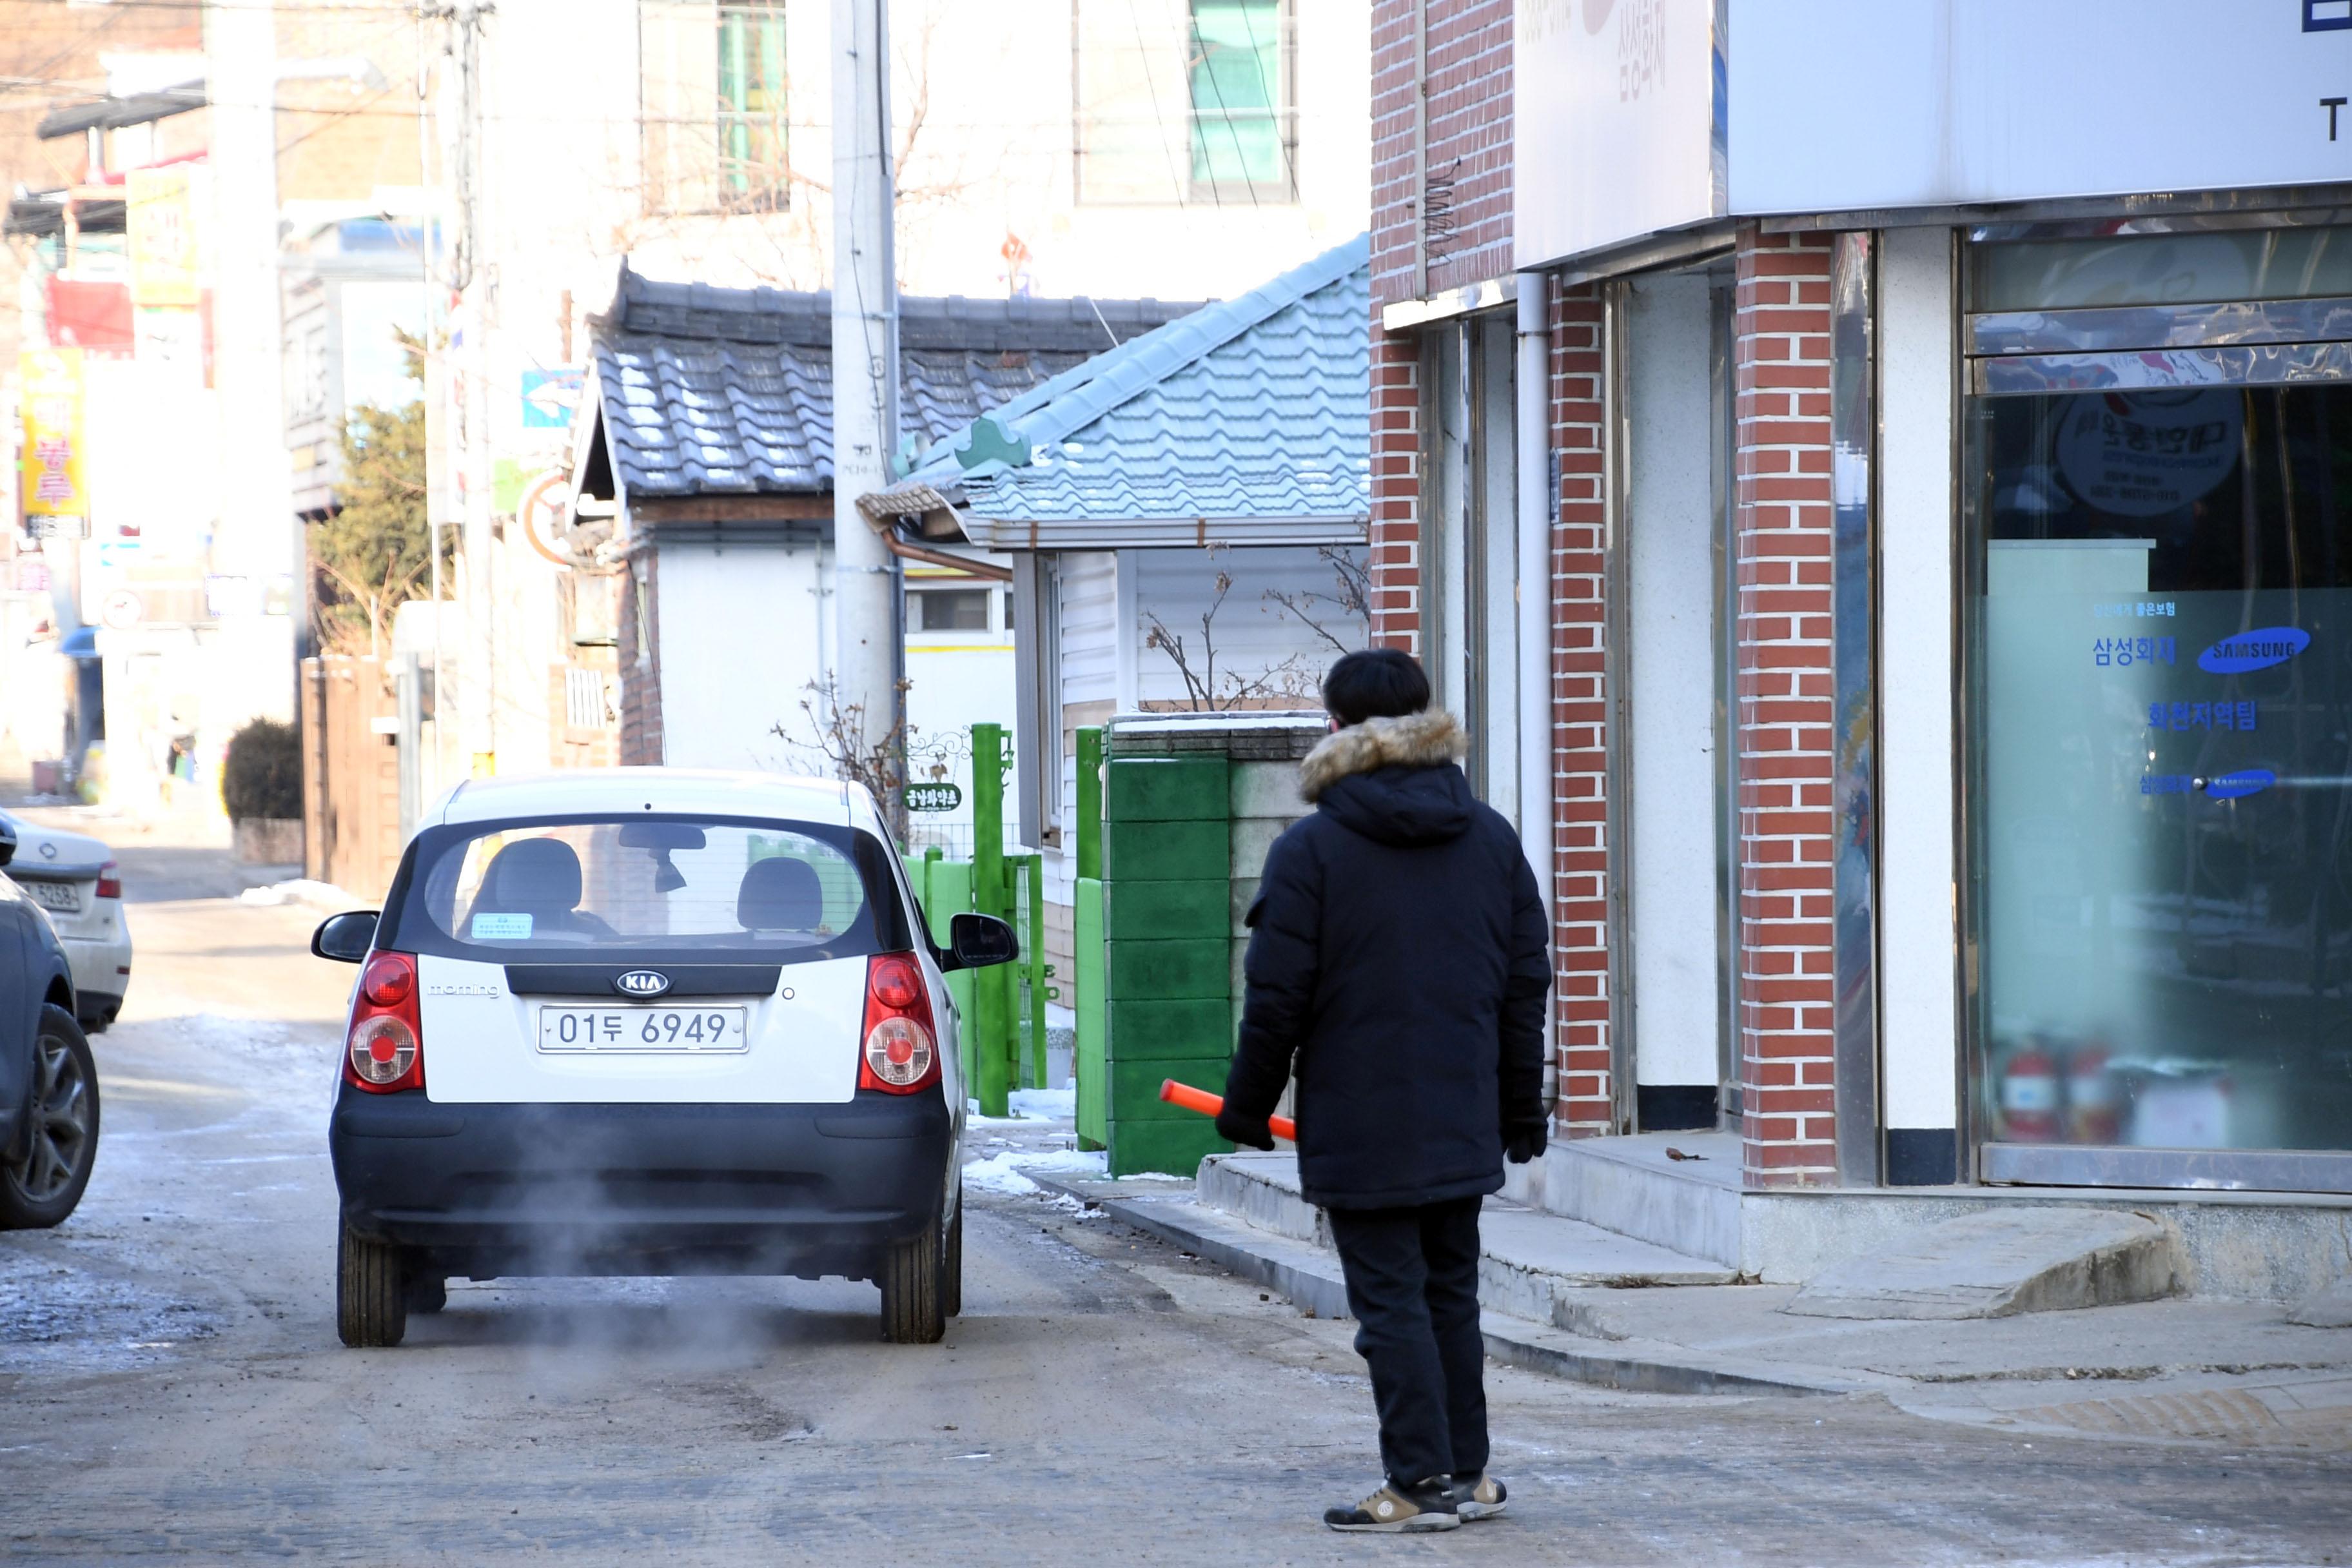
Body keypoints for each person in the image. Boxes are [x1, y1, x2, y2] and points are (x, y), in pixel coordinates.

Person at [1217, 647, 1551, 1534]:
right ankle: (1466, 1474)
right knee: (1450, 1294)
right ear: (1425, 723)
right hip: (1462, 1114)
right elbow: (1525, 986)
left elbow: (1277, 995)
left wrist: (1246, 1107)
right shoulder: (1490, 837)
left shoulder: (1313, 849)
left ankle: (1417, 1482)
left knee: (1393, 1304)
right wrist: (1522, 1110)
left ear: (1335, 729)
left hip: (1362, 1124)